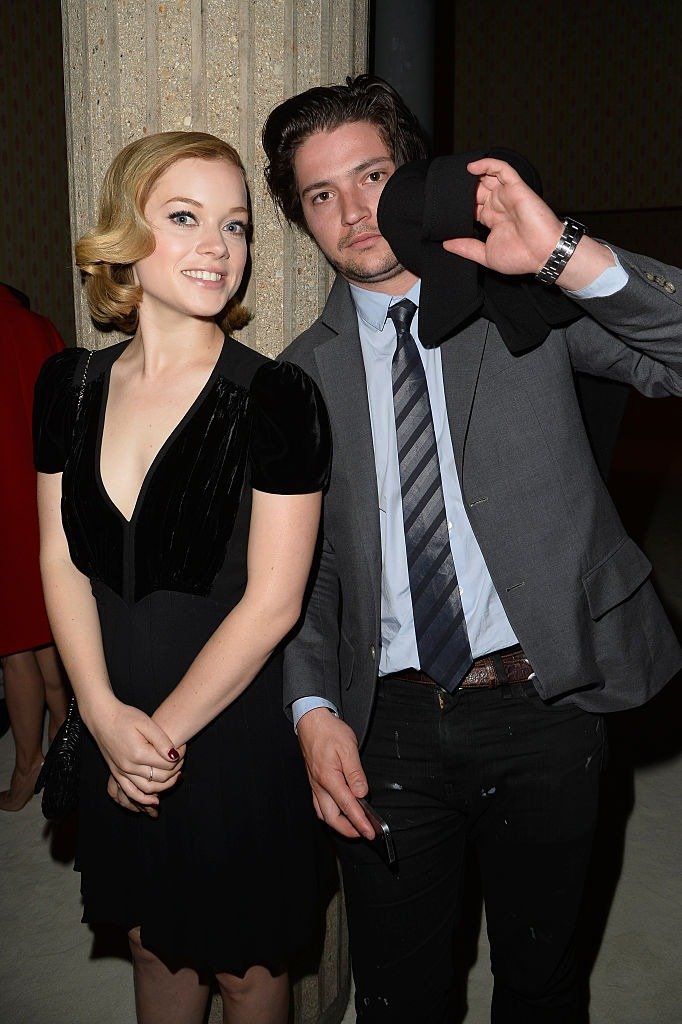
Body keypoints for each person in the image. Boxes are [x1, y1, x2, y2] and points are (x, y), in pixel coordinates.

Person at [261, 75, 682, 1023]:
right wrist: (312, 706)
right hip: (389, 728)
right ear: (301, 218)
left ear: (411, 175)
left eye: (371, 175)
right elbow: (309, 571)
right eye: (321, 194)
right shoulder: (299, 377)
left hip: (547, 698)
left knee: (541, 980)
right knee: (400, 996)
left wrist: (565, 255)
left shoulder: (519, 305)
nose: (354, 210)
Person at [33, 131, 331, 1024]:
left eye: (236, 226)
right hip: (114, 713)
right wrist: (100, 713)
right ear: (126, 233)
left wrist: (153, 741)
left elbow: (274, 602)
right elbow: (59, 557)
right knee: (151, 944)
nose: (219, 247)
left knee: (245, 967)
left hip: (229, 731)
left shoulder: (277, 399)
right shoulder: (67, 385)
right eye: (185, 218)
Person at [0, 282, 69, 811]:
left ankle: (27, 769)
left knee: (14, 646)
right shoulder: (39, 326)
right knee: (47, 631)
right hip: (47, 498)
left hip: (5, 506)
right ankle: (62, 748)